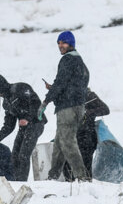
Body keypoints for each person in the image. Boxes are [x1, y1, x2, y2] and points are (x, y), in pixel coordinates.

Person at [39, 31, 91, 182]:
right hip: (78, 107)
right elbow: (77, 84)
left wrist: (46, 101)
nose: (60, 46)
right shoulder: (80, 62)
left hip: (67, 108)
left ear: (71, 44)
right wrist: (57, 89)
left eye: (64, 42)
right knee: (60, 143)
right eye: (59, 43)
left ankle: (82, 177)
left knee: (67, 142)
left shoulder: (67, 60)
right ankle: (53, 176)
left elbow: (61, 82)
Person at [0, 73, 46, 181]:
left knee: (23, 155)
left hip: (36, 123)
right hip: (24, 128)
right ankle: (16, 181)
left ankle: (22, 183)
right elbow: (9, 125)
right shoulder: (7, 102)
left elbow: (36, 103)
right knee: (14, 156)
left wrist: (27, 118)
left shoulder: (20, 88)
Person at [62, 88, 110, 180]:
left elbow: (105, 109)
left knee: (85, 165)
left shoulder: (89, 96)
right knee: (67, 165)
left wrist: (89, 112)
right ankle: (69, 188)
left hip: (87, 136)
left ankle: (86, 188)